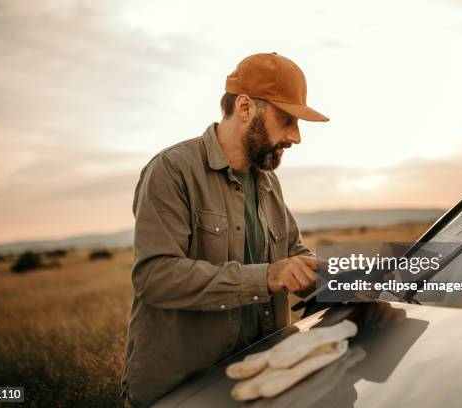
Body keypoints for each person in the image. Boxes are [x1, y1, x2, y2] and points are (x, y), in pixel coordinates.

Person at [120, 52, 330, 408]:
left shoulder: (268, 181)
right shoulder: (171, 171)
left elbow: (294, 253)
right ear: (246, 107)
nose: (295, 137)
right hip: (183, 391)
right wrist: (264, 277)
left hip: (264, 377)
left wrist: (329, 277)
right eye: (286, 119)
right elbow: (155, 277)